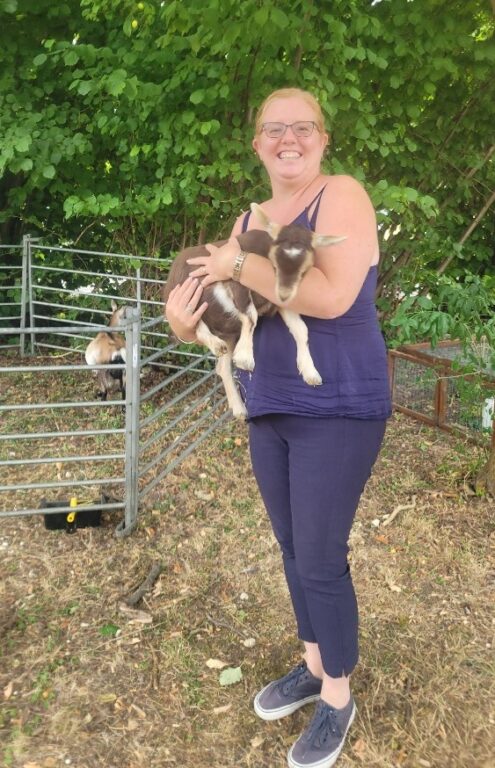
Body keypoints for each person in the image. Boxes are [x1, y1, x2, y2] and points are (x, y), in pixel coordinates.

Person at [165, 87, 391, 768]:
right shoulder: (252, 215)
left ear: (321, 138)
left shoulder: (341, 196)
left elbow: (327, 295)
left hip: (339, 405)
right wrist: (187, 326)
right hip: (269, 402)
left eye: (301, 128)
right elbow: (237, 312)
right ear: (257, 142)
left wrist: (235, 261)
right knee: (293, 546)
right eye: (273, 129)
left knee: (321, 556)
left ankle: (337, 698)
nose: (286, 139)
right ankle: (314, 662)